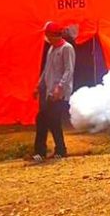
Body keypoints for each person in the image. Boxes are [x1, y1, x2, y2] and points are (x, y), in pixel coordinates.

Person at [31, 22, 75, 162]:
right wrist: (38, 85)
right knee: (48, 120)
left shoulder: (67, 49)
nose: (47, 38)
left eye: (48, 35)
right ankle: (53, 151)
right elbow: (47, 69)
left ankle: (49, 151)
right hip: (49, 90)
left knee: (47, 119)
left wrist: (59, 88)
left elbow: (69, 70)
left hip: (59, 93)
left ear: (54, 35)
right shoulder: (51, 48)